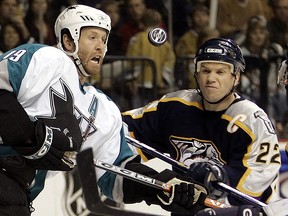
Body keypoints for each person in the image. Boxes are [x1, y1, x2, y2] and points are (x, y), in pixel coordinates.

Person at [0, 4, 208, 215]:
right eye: (92, 37)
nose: (100, 46)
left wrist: (161, 186)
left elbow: (116, 174)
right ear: (68, 40)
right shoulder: (44, 58)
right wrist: (29, 138)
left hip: (17, 197)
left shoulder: (103, 109)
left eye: (103, 39)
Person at [122, 38, 282, 210]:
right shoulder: (175, 106)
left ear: (236, 78)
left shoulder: (252, 119)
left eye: (220, 72)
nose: (211, 78)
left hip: (237, 212)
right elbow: (126, 128)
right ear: (196, 74)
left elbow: (261, 174)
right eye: (205, 70)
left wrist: (221, 176)